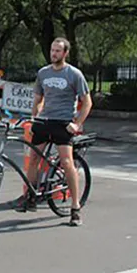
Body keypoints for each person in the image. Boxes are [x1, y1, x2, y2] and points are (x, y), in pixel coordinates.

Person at [16, 37, 92, 226]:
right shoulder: (43, 73)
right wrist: (34, 116)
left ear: (65, 53)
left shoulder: (74, 74)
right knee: (33, 159)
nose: (54, 54)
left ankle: (75, 207)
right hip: (44, 121)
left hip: (63, 122)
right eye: (52, 50)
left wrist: (77, 123)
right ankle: (31, 197)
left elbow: (87, 102)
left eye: (58, 51)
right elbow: (38, 98)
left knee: (67, 162)